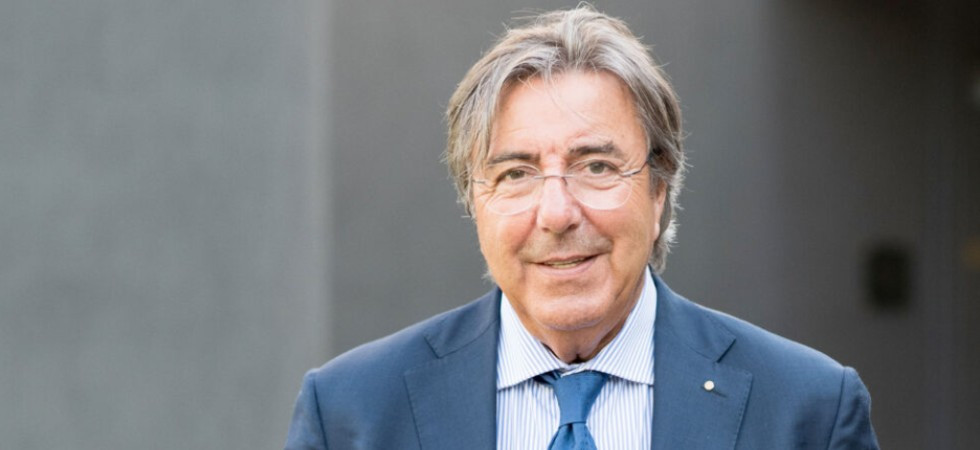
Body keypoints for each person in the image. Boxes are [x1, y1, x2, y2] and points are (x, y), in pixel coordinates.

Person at [285, 5, 878, 450]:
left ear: (659, 190)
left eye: (596, 167)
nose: (557, 213)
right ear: (475, 202)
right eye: (515, 174)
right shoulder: (350, 414)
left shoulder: (808, 411)